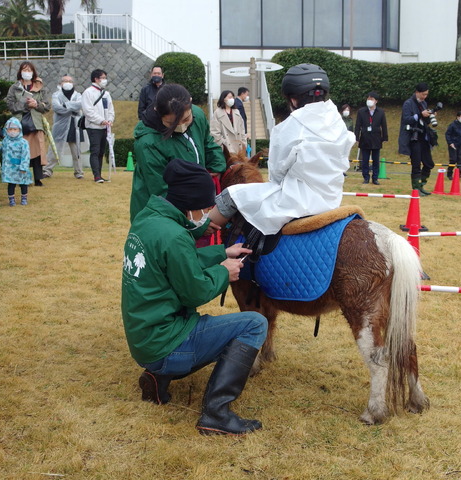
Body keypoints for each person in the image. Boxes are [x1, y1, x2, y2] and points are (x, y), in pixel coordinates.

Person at [122, 158, 267, 436]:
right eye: (205, 208)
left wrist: (220, 252)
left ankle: (158, 375)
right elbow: (195, 291)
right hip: (164, 342)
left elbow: (175, 260)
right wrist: (224, 272)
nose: (209, 214)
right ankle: (216, 414)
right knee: (254, 324)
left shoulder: (148, 219)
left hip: (144, 340)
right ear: (190, 205)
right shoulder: (174, 237)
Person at [208, 63, 355, 236]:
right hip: (332, 198)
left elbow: (276, 174)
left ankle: (198, 234)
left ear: (293, 99)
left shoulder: (291, 126)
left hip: (297, 201)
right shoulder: (337, 122)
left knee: (232, 195)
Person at [130, 83, 225, 223]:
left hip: (193, 204)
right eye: (172, 123)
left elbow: (207, 143)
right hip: (159, 213)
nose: (181, 126)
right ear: (157, 111)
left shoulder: (197, 115)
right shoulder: (148, 142)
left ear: (190, 103)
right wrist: (191, 223)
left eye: (186, 119)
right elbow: (161, 191)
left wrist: (217, 165)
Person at [6, 62, 51, 187]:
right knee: (21, 152)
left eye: (30, 70)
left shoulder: (39, 87)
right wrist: (24, 105)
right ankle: (21, 176)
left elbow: (47, 106)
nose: (27, 72)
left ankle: (38, 178)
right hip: (20, 125)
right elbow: (10, 105)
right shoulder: (14, 88)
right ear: (20, 71)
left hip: (36, 123)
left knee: (37, 152)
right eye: (25, 69)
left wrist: (36, 104)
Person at [397, 82, 436, 196]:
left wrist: (430, 116)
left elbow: (425, 121)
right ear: (417, 92)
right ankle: (416, 189)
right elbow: (406, 119)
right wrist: (420, 114)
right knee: (416, 164)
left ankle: (421, 185)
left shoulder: (424, 103)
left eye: (426, 94)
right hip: (413, 138)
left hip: (424, 137)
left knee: (429, 163)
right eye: (423, 94)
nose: (425, 96)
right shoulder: (408, 103)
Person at [42, 75, 84, 179]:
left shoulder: (78, 95)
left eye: (70, 81)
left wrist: (65, 105)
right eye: (65, 81)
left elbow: (80, 105)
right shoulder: (56, 95)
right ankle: (47, 170)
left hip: (75, 125)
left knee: (76, 150)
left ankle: (79, 172)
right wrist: (71, 108)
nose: (68, 82)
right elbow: (57, 108)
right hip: (60, 125)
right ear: (61, 83)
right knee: (54, 148)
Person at [82, 69, 115, 183]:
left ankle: (99, 174)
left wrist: (109, 120)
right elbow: (88, 111)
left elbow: (110, 109)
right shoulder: (88, 92)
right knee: (95, 151)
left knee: (101, 151)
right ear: (96, 79)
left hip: (105, 127)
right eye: (103, 78)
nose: (104, 80)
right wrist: (101, 120)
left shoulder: (106, 94)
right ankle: (96, 175)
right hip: (93, 127)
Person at [355, 92, 388, 185]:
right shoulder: (361, 111)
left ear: (376, 101)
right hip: (365, 138)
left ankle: (375, 178)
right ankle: (366, 177)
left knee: (376, 160)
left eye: (372, 99)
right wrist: (356, 137)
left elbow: (384, 125)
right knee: (364, 160)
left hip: (376, 138)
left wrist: (385, 137)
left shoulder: (381, 112)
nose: (370, 101)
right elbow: (357, 125)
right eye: (368, 99)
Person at [0, 117, 32, 206]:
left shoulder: (23, 142)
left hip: (20, 167)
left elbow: (26, 155)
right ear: (6, 130)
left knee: (23, 184)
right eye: (10, 129)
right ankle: (11, 200)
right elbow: (2, 151)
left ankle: (24, 198)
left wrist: (24, 167)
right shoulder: (5, 141)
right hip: (9, 168)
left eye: (15, 129)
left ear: (19, 129)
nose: (12, 131)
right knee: (11, 184)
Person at [210, 90, 247, 155]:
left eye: (232, 97)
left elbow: (242, 130)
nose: (232, 99)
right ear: (223, 99)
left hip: (238, 149)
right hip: (225, 149)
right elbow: (214, 132)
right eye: (229, 97)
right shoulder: (217, 113)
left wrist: (244, 144)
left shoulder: (236, 112)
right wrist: (223, 143)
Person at [445, 111, 461, 180]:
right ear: (457, 117)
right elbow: (447, 134)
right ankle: (449, 173)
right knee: (453, 159)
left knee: (459, 159)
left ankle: (459, 174)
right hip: (453, 144)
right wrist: (450, 143)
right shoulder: (452, 125)